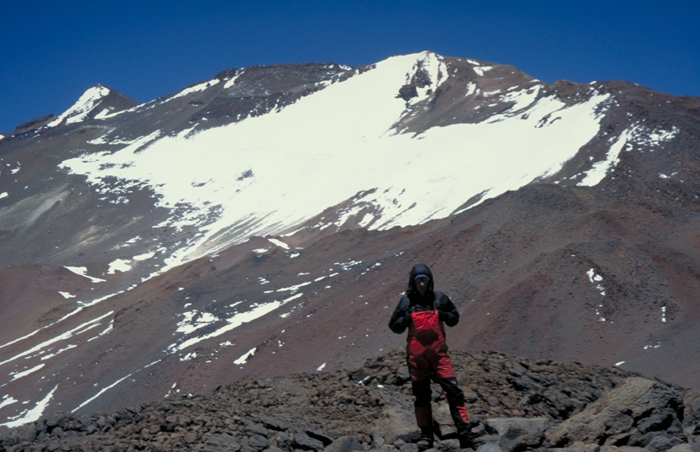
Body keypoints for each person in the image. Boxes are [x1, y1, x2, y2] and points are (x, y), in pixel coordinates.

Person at [389, 263, 481, 450]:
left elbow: (454, 318)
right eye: (418, 280)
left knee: (454, 393)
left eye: (425, 280)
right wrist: (405, 319)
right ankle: (426, 436)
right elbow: (394, 326)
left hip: (439, 356)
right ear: (413, 283)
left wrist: (444, 314)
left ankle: (465, 435)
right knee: (422, 397)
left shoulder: (439, 299)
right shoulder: (406, 302)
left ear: (430, 281)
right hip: (417, 358)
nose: (422, 284)